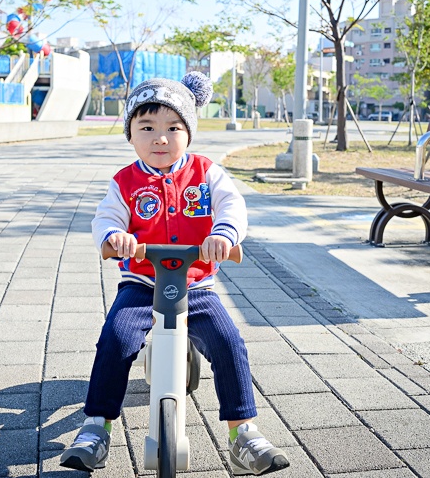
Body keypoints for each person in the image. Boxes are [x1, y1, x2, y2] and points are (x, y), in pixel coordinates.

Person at [60, 72, 290, 476]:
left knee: (228, 341)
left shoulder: (206, 173)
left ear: (189, 133)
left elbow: (232, 205)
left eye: (172, 128)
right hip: (142, 283)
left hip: (195, 283)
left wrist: (223, 233)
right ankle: (96, 426)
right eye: (146, 128)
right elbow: (106, 218)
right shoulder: (125, 182)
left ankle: (243, 433)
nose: (160, 138)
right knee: (115, 339)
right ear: (131, 134)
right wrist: (116, 236)